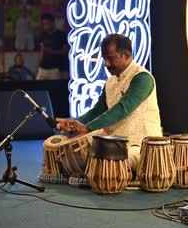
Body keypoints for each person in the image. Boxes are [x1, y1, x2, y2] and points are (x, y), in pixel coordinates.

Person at [56, 33, 162, 172]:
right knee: (68, 157)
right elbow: (97, 111)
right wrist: (75, 123)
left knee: (106, 164)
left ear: (126, 55)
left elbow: (122, 108)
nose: (106, 64)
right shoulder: (110, 81)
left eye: (110, 59)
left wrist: (87, 128)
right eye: (104, 59)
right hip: (116, 144)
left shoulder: (142, 78)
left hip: (142, 145)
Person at [36, 13, 69, 80]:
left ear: (52, 23)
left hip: (55, 68)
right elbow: (41, 51)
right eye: (44, 24)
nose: (45, 26)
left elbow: (65, 51)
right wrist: (38, 65)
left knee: (54, 87)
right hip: (43, 68)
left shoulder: (61, 35)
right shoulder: (42, 35)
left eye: (47, 24)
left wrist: (52, 51)